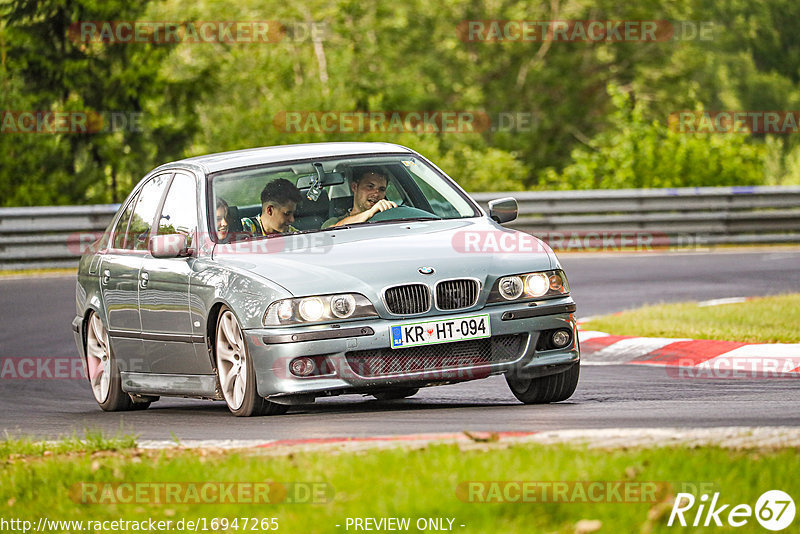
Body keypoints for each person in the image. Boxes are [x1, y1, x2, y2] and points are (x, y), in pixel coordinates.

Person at [323, 168, 397, 228]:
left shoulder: (390, 216)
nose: (376, 194)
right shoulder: (334, 221)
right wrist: (370, 212)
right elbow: (332, 231)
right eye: (370, 186)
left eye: (382, 189)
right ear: (354, 187)